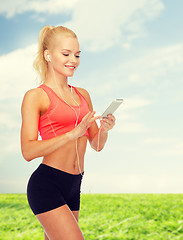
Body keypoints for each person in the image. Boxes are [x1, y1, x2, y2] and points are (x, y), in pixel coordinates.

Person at [20, 25, 116, 240]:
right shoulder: (36, 96)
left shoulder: (83, 95)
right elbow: (27, 150)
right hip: (47, 184)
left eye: (77, 55)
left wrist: (105, 130)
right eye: (66, 54)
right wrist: (72, 134)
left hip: (74, 184)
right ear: (48, 55)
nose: (73, 60)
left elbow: (96, 144)